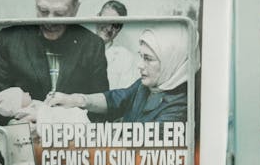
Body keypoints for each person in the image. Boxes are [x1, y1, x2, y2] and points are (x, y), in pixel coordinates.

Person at [0, 0, 109, 111]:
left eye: (59, 13)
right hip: (21, 124)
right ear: (36, 3)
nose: (50, 21)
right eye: (43, 11)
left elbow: (101, 108)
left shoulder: (93, 45)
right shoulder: (10, 40)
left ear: (75, 9)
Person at [46, 23, 198, 125]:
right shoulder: (148, 85)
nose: (140, 65)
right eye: (141, 56)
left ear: (172, 61)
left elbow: (135, 149)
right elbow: (116, 99)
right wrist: (75, 100)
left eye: (148, 59)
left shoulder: (180, 109)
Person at [96, 1, 137, 88]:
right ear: (97, 18)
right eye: (105, 21)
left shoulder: (126, 58)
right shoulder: (78, 47)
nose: (109, 29)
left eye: (115, 25)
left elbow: (126, 94)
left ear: (119, 29)